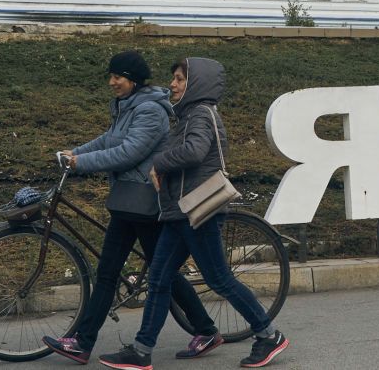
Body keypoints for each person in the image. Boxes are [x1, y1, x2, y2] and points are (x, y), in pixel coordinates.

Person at [99, 57, 289, 370]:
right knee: (159, 280)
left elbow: (195, 151)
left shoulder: (200, 113)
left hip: (197, 210)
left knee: (220, 279)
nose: (172, 85)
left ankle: (269, 335)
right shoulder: (187, 115)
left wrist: (159, 163)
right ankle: (141, 350)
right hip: (179, 212)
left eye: (178, 79)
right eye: (173, 79)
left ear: (195, 83)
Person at [43, 51, 223, 364]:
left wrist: (80, 163)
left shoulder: (151, 111)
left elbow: (128, 152)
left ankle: (205, 329)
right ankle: (82, 343)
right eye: (111, 75)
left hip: (145, 201)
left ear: (134, 80)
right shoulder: (126, 107)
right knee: (113, 272)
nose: (112, 81)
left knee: (160, 273)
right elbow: (108, 140)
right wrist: (76, 152)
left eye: (119, 76)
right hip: (128, 201)